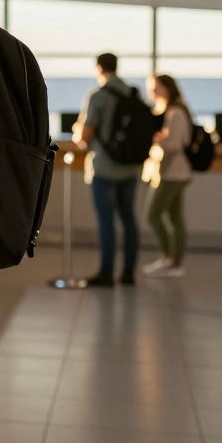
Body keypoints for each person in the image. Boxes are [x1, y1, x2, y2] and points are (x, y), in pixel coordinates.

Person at [74, 52, 143, 287]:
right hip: (131, 167)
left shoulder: (98, 96)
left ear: (99, 68)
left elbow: (85, 138)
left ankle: (106, 273)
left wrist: (78, 130)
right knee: (129, 218)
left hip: (104, 167)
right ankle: (129, 272)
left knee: (106, 221)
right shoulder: (133, 93)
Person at [142, 74, 192, 278]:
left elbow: (176, 144)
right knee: (175, 217)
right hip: (171, 172)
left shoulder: (176, 112)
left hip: (173, 173)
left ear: (167, 88)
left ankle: (170, 258)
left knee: (152, 214)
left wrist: (156, 138)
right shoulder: (167, 111)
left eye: (156, 87)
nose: (152, 91)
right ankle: (173, 261)